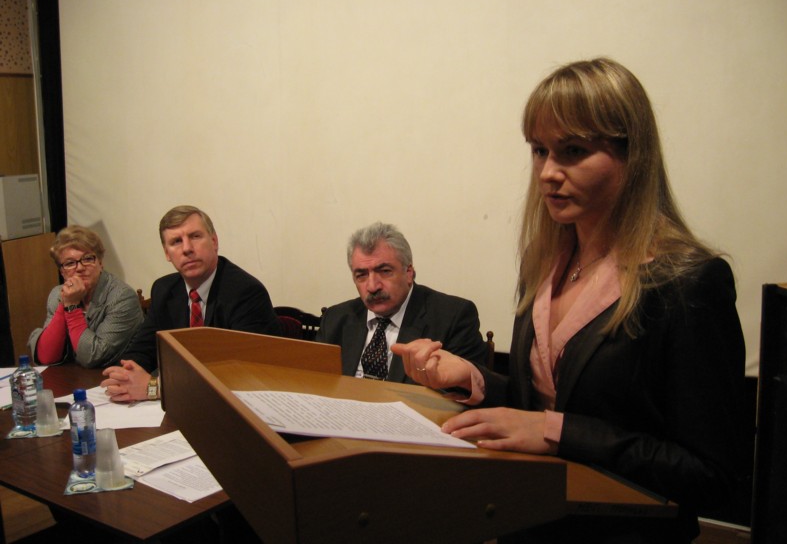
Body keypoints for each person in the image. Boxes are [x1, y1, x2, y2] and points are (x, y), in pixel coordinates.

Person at [392, 58, 746, 543]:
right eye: (539, 150)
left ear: (633, 155)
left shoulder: (688, 282)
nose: (547, 173)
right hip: (526, 518)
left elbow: (711, 474)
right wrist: (470, 377)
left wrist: (558, 433)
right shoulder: (543, 265)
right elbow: (542, 406)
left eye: (573, 151)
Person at [101, 205, 282, 401]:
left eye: (195, 236)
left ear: (214, 242)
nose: (187, 249)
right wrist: (124, 375)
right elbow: (143, 350)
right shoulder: (164, 290)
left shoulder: (245, 292)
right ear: (167, 253)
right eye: (176, 241)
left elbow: (243, 373)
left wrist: (154, 388)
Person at [317, 221, 487, 383]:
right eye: (361, 275)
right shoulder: (334, 319)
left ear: (409, 273)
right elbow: (316, 382)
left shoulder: (453, 318)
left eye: (384, 271)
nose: (372, 286)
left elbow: (466, 390)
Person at [28, 225, 142, 368]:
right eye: (70, 263)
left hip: (111, 375)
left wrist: (71, 307)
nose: (80, 268)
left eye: (87, 259)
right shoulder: (58, 294)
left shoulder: (122, 297)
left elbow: (93, 357)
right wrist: (64, 304)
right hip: (73, 376)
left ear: (100, 263)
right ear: (62, 272)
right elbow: (46, 356)